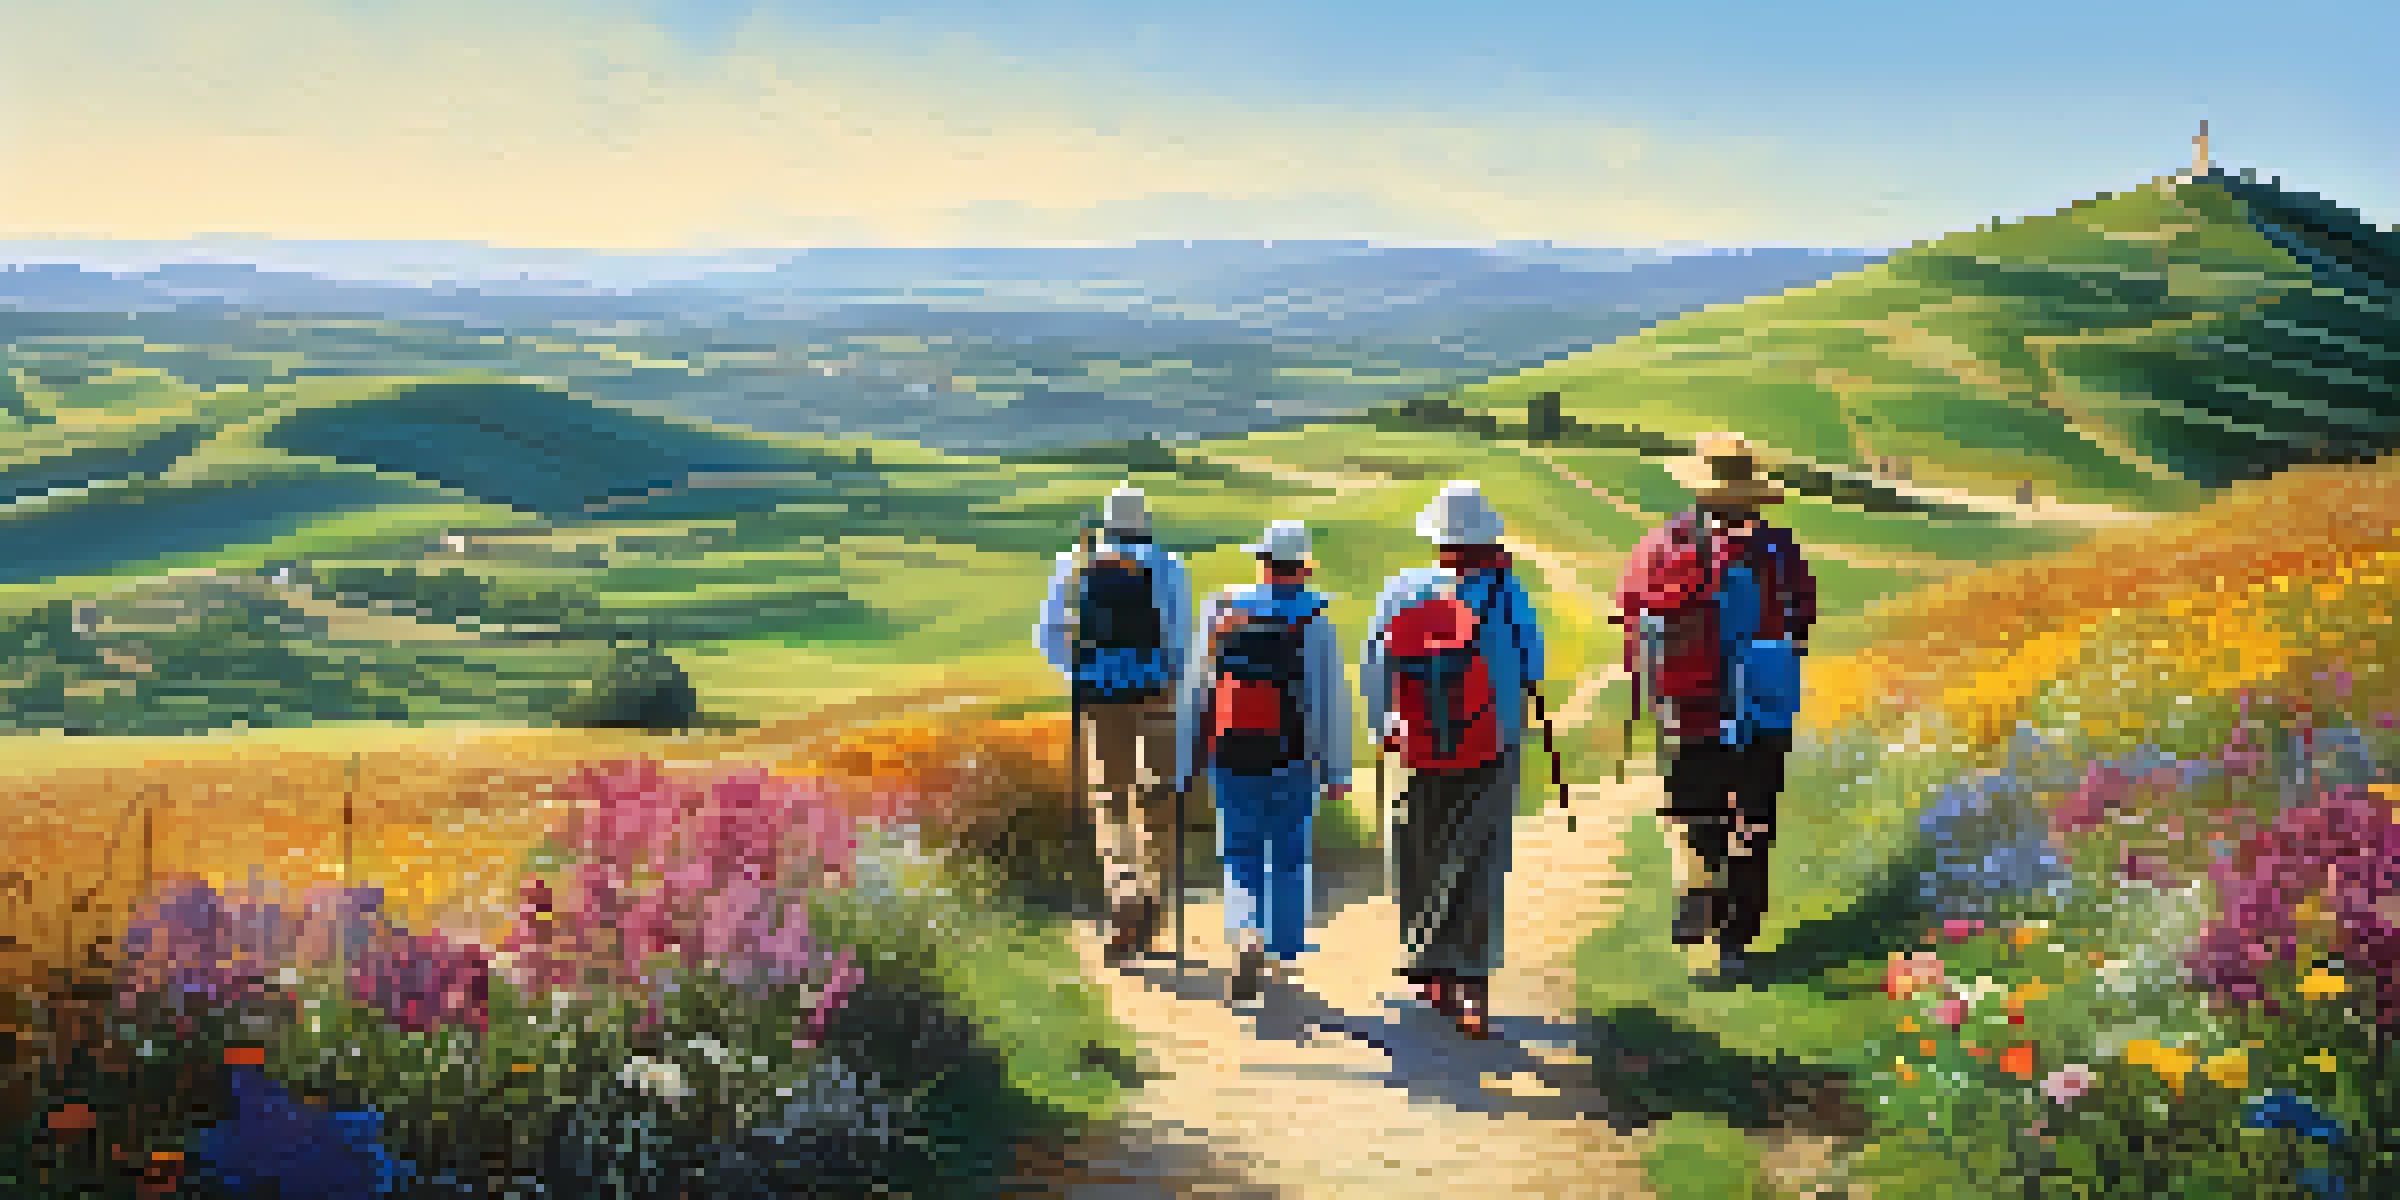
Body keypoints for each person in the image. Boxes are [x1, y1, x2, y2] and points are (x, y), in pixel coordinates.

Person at [1614, 433, 1817, 979]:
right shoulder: (1778, 550)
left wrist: (1654, 684)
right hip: (1762, 710)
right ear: (1753, 495)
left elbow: (1630, 614)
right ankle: (1736, 941)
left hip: (1688, 706)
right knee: (1752, 821)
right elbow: (1803, 618)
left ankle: (1697, 887)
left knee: (1692, 814)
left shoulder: (1660, 546)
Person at [1359, 481, 1546, 1039]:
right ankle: (1474, 987)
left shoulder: (1402, 590)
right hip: (1492, 743)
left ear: (1436, 541)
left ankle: (1430, 967)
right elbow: (1534, 664)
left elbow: (1376, 666)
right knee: (1481, 860)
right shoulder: (1507, 591)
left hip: (1416, 745)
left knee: (1418, 853)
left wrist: (1384, 728)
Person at [1175, 520, 1353, 1004]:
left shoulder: (1223, 610)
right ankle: (1279, 951)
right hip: (1293, 756)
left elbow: (1197, 688)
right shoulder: (1314, 618)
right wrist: (1336, 770)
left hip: (1229, 754)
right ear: (1305, 567)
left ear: (1262, 565)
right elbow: (1328, 701)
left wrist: (1184, 761)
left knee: (1239, 851)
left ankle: (1246, 934)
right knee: (1290, 853)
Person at [1036, 486, 1192, 963]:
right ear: (1145, 525)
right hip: (1156, 691)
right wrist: (1170, 681)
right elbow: (1180, 636)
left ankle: (1125, 894)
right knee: (1155, 797)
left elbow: (1050, 635)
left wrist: (1081, 670)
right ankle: (1153, 896)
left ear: (1106, 525)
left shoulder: (1076, 564)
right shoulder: (1167, 565)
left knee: (1110, 797)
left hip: (1100, 694)